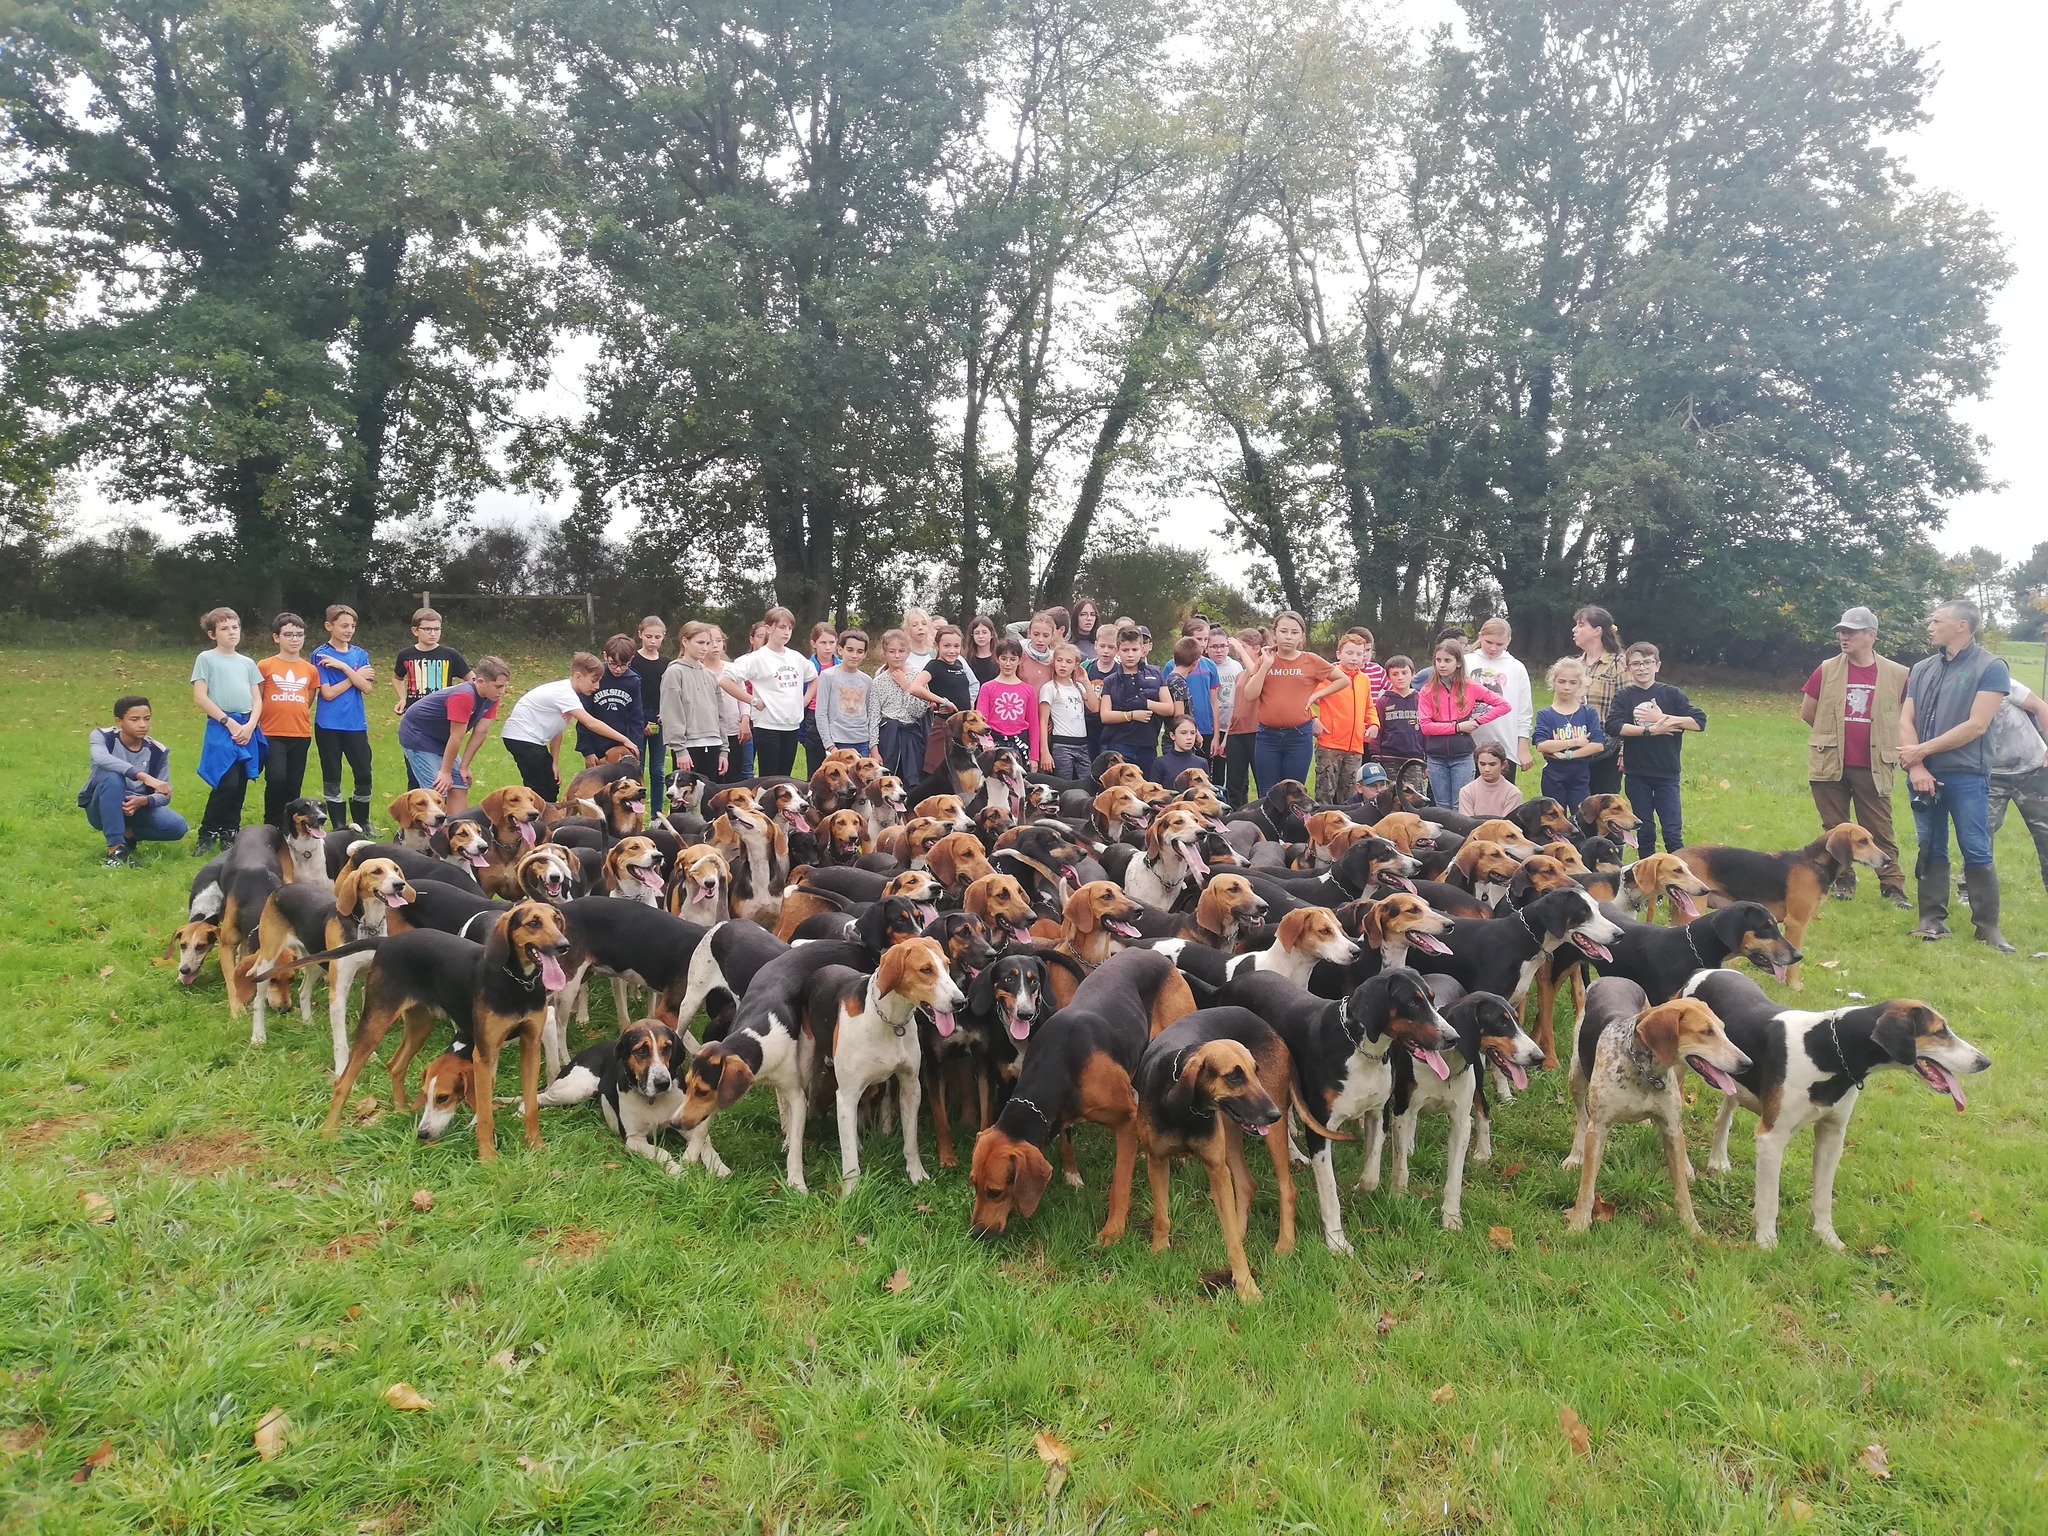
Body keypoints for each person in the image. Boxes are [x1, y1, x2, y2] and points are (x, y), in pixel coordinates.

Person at [1900, 598, 2013, 950]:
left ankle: (1987, 927)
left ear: (1962, 626)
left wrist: (1923, 750)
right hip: (1922, 774)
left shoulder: (1991, 666)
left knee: (1976, 848)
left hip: (1966, 774)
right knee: (1930, 845)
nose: (1930, 627)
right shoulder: (1920, 669)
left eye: (1937, 621)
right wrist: (1916, 764)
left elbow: (1977, 725)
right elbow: (1906, 720)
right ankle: (1930, 919)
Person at [1800, 606, 1909, 907]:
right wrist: (1833, 737)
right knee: (1835, 830)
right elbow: (1808, 712)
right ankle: (1842, 882)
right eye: (1841, 631)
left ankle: (1892, 886)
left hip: (1874, 764)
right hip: (1829, 762)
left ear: (1871, 635)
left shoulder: (1898, 674)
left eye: (1851, 631)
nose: (1843, 636)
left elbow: (1907, 717)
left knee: (1879, 828)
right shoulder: (1826, 668)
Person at [1606, 641, 1707, 860]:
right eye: (1635, 664)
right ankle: (1647, 879)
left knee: (1672, 832)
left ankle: (1679, 878)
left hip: (1667, 774)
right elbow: (1613, 726)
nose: (1642, 668)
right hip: (1636, 773)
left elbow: (1699, 722)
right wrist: (1650, 730)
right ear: (1628, 669)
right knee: (1645, 831)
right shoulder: (1624, 696)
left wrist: (1661, 718)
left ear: (1657, 665)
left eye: (1647, 662)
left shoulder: (1671, 694)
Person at [501, 654, 636, 802]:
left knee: (550, 785)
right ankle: (537, 820)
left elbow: (556, 730)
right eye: (593, 681)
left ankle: (544, 819)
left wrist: (554, 762)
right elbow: (591, 723)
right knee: (541, 788)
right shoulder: (564, 693)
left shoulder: (567, 693)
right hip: (522, 737)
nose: (597, 687)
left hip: (529, 740)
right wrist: (625, 739)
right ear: (578, 676)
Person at [191, 605, 266, 854]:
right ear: (213, 634)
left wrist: (250, 725)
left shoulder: (246, 663)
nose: (232, 632)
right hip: (222, 727)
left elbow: (257, 699)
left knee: (242, 780)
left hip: (246, 727)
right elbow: (201, 697)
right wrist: (228, 721)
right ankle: (208, 831)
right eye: (224, 628)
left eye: (235, 627)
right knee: (226, 781)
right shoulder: (206, 659)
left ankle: (230, 832)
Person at [1239, 611, 1339, 794]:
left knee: (1294, 792)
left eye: (1294, 632)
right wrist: (1266, 665)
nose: (1288, 636)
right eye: (1283, 631)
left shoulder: (1311, 660)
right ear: (1274, 633)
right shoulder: (1265, 659)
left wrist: (1316, 696)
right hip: (1267, 736)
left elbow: (1342, 680)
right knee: (1268, 792)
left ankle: (1291, 823)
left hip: (1299, 736)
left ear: (1302, 636)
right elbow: (1250, 694)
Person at [396, 656, 511, 812]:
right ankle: (431, 832)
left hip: (441, 738)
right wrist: (445, 771)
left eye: (505, 686)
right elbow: (456, 736)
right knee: (437, 789)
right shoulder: (464, 696)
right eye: (498, 686)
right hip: (418, 735)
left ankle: (456, 828)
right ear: (481, 682)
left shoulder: (492, 696)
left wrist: (464, 766)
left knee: (460, 783)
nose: (502, 691)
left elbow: (481, 732)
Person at [80, 695, 185, 864]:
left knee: (178, 826)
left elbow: (165, 793)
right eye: (134, 719)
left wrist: (144, 800)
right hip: (100, 806)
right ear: (119, 721)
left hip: (136, 808)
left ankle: (126, 835)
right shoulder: (103, 737)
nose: (143, 725)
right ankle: (115, 850)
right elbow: (100, 758)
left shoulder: (158, 751)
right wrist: (143, 776)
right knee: (113, 777)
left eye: (147, 719)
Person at [1418, 637, 1510, 809]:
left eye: (1447, 660)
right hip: (1436, 757)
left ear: (1458, 663)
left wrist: (1477, 721)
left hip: (1462, 755)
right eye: (1438, 660)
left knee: (1460, 805)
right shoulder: (1427, 690)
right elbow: (1425, 726)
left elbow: (1504, 705)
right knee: (1442, 806)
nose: (1442, 665)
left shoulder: (1470, 686)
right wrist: (1458, 727)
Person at [312, 603, 375, 831]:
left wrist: (344, 668)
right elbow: (328, 693)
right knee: (332, 774)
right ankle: (338, 824)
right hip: (328, 725)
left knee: (364, 772)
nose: (349, 630)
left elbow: (367, 688)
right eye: (343, 625)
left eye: (352, 626)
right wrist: (354, 677)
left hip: (355, 724)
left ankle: (362, 820)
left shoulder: (360, 654)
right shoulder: (320, 655)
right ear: (329, 626)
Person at [1987, 676, 2048, 895]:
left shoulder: (2002, 681)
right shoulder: (1955, 692)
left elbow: (2041, 707)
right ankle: (1969, 891)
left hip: (2034, 768)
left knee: (2045, 833)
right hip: (1990, 775)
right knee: (1980, 832)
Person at [255, 612, 317, 828]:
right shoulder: (265, 665)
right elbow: (258, 698)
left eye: (299, 634)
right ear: (276, 637)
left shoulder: (310, 669)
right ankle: (271, 824)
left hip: (300, 734)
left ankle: (290, 825)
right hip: (272, 734)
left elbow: (307, 699)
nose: (294, 639)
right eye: (288, 634)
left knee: (293, 785)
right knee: (276, 779)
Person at [1306, 629, 1380, 803]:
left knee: (1349, 796)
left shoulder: (1365, 680)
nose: (1354, 658)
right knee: (1325, 793)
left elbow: (1369, 706)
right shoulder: (1328, 676)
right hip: (1329, 745)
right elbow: (1304, 697)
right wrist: (1313, 719)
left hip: (1355, 746)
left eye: (1359, 654)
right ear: (1339, 654)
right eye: (1349, 653)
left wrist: (1374, 724)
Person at [660, 621, 736, 780]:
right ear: (685, 641)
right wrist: (680, 750)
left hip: (714, 745)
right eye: (700, 642)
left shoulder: (709, 675)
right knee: (685, 799)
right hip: (688, 747)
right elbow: (671, 713)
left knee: (709, 800)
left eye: (707, 643)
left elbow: (720, 714)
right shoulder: (674, 672)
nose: (705, 648)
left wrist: (724, 750)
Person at [1096, 625, 1174, 776]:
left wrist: (1146, 703)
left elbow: (1169, 708)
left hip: (1148, 744)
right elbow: (1105, 715)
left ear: (1142, 649)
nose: (1130, 655)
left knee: (1146, 788)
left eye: (1134, 650)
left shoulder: (1155, 673)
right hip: (1120, 744)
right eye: (1125, 650)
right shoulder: (1110, 680)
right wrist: (1131, 715)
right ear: (1118, 650)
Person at [1567, 606, 1627, 797]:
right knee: (1578, 805)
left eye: (1580, 625)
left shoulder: (1620, 663)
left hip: (1607, 751)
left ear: (1597, 631)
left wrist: (1625, 750)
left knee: (1603, 806)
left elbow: (1630, 708)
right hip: (1575, 747)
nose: (1574, 630)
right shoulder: (1574, 666)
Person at [1465, 617, 1534, 781]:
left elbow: (1523, 712)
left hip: (1504, 747)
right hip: (1467, 748)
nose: (1493, 648)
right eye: (1489, 642)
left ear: (1508, 641)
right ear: (1480, 636)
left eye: (1499, 644)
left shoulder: (1516, 667)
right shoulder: (1466, 662)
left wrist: (1522, 748)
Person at [1533, 657, 1606, 812]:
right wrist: (1575, 742)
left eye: (1572, 683)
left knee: (1581, 816)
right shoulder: (1545, 714)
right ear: (1553, 682)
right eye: (1562, 681)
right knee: (1555, 817)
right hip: (1553, 775)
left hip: (1580, 775)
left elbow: (1598, 744)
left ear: (1580, 685)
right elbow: (1542, 745)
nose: (1566, 687)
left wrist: (1568, 755)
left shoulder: (1588, 713)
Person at [868, 628, 935, 783]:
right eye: (892, 651)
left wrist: (907, 687)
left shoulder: (918, 677)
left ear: (908, 652)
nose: (897, 655)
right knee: (888, 780)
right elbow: (873, 717)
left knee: (912, 781)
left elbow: (918, 711)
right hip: (888, 737)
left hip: (912, 736)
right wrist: (874, 749)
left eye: (901, 651)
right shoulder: (878, 682)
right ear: (884, 653)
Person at [577, 635, 646, 767]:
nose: (618, 669)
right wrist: (587, 751)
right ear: (605, 656)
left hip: (622, 746)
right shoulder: (595, 677)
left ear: (631, 658)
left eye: (624, 665)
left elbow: (636, 719)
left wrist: (636, 749)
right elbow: (583, 715)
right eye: (613, 663)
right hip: (597, 745)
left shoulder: (633, 680)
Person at [919, 624, 978, 773]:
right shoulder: (934, 666)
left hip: (963, 729)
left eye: (956, 646)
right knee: (939, 774)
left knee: (963, 774)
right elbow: (914, 687)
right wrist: (943, 701)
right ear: (936, 645)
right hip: (944, 726)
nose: (952, 650)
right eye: (946, 646)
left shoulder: (959, 664)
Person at [629, 616, 672, 809]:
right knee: (637, 768)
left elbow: (669, 691)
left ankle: (656, 813)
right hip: (637, 716)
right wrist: (641, 721)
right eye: (648, 636)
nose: (653, 641)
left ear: (663, 637)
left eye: (657, 637)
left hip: (660, 717)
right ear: (640, 634)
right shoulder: (633, 661)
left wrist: (665, 712)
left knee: (658, 769)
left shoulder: (667, 663)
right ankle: (636, 809)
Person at [977, 637, 1041, 761]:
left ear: (1020, 660)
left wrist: (1034, 757)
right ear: (997, 659)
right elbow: (981, 720)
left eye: (1013, 659)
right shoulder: (987, 687)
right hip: (994, 745)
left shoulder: (1027, 690)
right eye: (1004, 659)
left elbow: (1033, 724)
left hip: (1020, 744)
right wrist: (987, 742)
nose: (1008, 664)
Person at [813, 629, 875, 753]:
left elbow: (870, 713)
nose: (854, 655)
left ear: (865, 654)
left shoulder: (867, 680)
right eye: (850, 650)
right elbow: (821, 713)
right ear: (840, 650)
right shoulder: (828, 676)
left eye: (860, 651)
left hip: (862, 741)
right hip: (837, 740)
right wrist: (830, 745)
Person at [1221, 629, 1264, 805]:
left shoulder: (1262, 668)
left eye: (1243, 648)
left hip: (1256, 731)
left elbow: (1255, 672)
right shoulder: (1240, 674)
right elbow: (1236, 706)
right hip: (1236, 733)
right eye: (1237, 650)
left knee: (1262, 781)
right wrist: (1225, 738)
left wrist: (1238, 645)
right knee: (1234, 783)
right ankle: (1234, 816)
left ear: (1256, 648)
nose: (1239, 653)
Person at [1039, 643, 1095, 777]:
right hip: (1062, 745)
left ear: (1076, 665)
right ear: (1054, 662)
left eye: (1068, 662)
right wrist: (1045, 752)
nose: (1063, 665)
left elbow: (1094, 708)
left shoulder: (1079, 687)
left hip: (1082, 744)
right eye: (1059, 660)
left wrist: (1086, 682)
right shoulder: (1049, 688)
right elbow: (1043, 721)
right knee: (1065, 785)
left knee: (1086, 785)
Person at [708, 628, 750, 778]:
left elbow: (744, 697)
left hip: (733, 730)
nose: (715, 645)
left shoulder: (732, 669)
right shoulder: (699, 671)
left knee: (734, 776)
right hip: (710, 732)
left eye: (719, 641)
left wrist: (745, 719)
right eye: (710, 641)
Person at [1206, 628, 1243, 786]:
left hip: (1233, 726)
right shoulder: (1204, 666)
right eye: (1214, 647)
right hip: (1212, 727)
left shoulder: (1236, 667)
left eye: (1222, 646)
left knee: (1237, 773)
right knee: (1216, 772)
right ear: (1207, 648)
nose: (1219, 650)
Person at [1374, 655, 1425, 765]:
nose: (1400, 677)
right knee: (1390, 783)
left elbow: (1427, 730)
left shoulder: (1421, 699)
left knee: (1413, 783)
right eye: (1395, 674)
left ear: (1413, 674)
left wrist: (1427, 758)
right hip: (1388, 758)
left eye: (1404, 673)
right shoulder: (1383, 701)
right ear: (1388, 678)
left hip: (1415, 758)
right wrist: (1375, 757)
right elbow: (1377, 730)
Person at [1459, 743, 1523, 817]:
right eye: (1482, 764)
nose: (1486, 769)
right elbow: (1466, 823)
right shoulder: (1467, 791)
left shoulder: (1513, 793)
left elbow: (1507, 825)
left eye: (1492, 764)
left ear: (1503, 765)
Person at [1156, 715, 1210, 785]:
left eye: (1192, 733)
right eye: (1183, 733)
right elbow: (1155, 792)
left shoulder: (1201, 762)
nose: (1189, 737)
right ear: (1172, 735)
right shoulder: (1160, 763)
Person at [1016, 610, 1060, 690]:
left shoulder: (1055, 660)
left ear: (1052, 636)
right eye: (1036, 634)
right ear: (1029, 633)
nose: (1040, 639)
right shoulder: (1019, 656)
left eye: (1046, 636)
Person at [964, 615, 1002, 684]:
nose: (981, 636)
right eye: (977, 633)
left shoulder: (1000, 659)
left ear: (992, 635)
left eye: (984, 632)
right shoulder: (967, 660)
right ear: (972, 636)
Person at [1071, 598, 1102, 665]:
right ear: (1076, 617)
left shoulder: (1102, 645)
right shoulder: (1067, 645)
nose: (1089, 618)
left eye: (1092, 614)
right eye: (1083, 614)